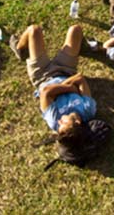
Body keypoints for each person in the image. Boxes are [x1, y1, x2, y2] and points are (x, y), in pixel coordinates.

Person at [10, 23, 97, 161]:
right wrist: (64, 87)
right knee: (76, 29)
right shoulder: (88, 110)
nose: (60, 122)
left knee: (34, 30)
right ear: (78, 123)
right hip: (66, 69)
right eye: (64, 123)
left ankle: (19, 48)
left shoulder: (53, 120)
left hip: (42, 75)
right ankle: (82, 46)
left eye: (59, 126)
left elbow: (45, 92)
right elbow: (80, 78)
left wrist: (70, 88)